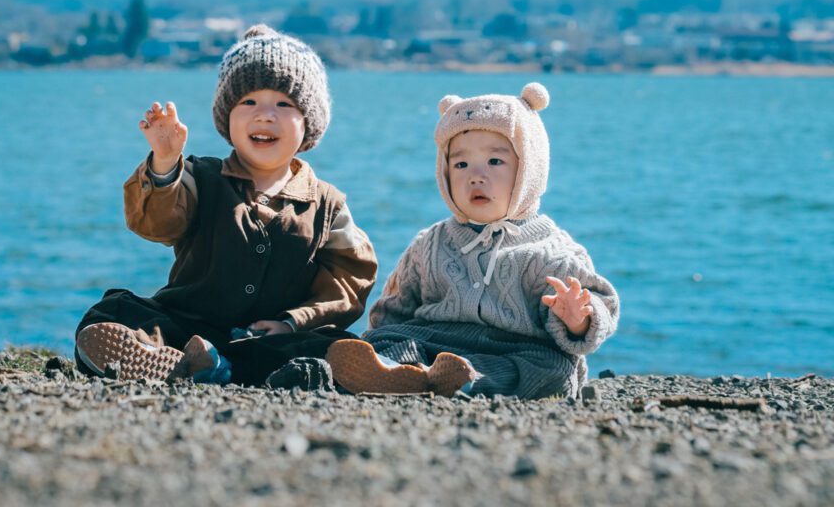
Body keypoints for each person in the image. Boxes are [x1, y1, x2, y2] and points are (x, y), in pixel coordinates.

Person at [75, 25, 377, 388]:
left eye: (284, 104)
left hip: (270, 338)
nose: (265, 115)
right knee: (113, 312)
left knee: (332, 346)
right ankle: (185, 361)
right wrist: (165, 162)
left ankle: (226, 370)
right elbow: (157, 223)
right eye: (248, 102)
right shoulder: (200, 177)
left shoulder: (327, 204)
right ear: (226, 117)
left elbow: (347, 283)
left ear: (308, 122)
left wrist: (293, 321)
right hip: (187, 325)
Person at [327, 84, 618, 398]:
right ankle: (391, 372)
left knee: (555, 372)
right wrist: (377, 340)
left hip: (513, 349)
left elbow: (600, 308)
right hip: (433, 339)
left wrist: (579, 319)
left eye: (495, 162)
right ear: (445, 172)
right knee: (389, 341)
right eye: (461, 165)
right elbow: (394, 310)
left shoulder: (554, 253)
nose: (476, 176)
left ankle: (451, 381)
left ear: (530, 170)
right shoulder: (430, 243)